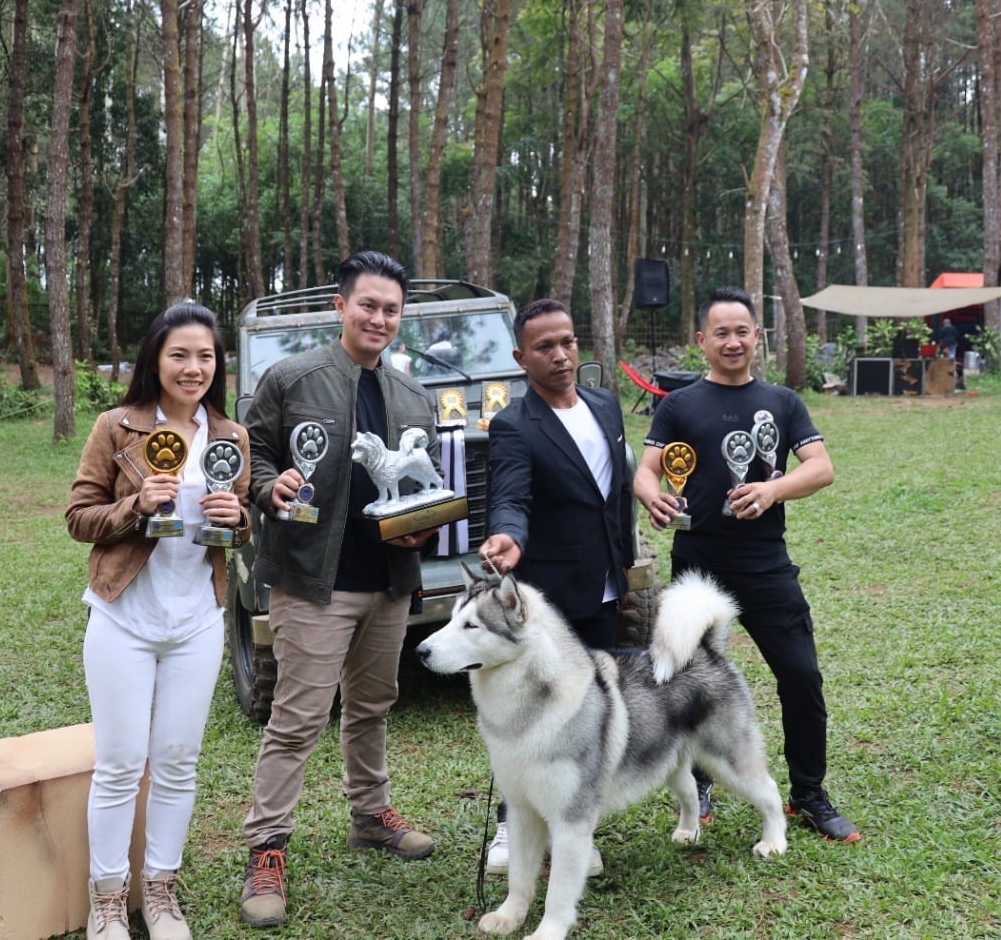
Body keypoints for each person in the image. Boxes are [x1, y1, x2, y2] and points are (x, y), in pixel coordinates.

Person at [239, 251, 441, 929]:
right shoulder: (291, 379)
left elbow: (423, 486)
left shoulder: (413, 395)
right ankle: (267, 849)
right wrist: (269, 486)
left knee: (373, 705)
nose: (379, 319)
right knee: (298, 718)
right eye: (368, 305)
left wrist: (422, 531)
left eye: (391, 310)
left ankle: (370, 816)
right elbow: (253, 454)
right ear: (340, 306)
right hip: (312, 581)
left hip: (388, 580)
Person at [633, 286, 860, 844]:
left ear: (757, 336)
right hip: (698, 564)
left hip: (765, 565)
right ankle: (699, 785)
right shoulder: (677, 404)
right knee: (687, 681)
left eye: (742, 331)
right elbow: (647, 470)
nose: (732, 341)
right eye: (721, 333)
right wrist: (653, 498)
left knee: (801, 677)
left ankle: (809, 793)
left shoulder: (782, 401)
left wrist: (772, 489)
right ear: (701, 340)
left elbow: (822, 467)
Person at [65, 302, 251, 940]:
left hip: (196, 622)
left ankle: (161, 893)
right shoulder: (116, 428)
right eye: (180, 355)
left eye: (205, 356)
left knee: (177, 761)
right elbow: (78, 518)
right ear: (155, 360)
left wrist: (236, 520)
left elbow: (239, 528)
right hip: (123, 618)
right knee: (120, 764)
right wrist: (134, 505)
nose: (193, 368)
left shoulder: (230, 436)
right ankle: (108, 901)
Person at [477, 299, 636, 876]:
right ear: (521, 358)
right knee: (530, 714)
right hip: (549, 591)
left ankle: (575, 828)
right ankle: (510, 826)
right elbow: (511, 495)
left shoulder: (605, 404)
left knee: (588, 715)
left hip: (604, 585)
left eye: (567, 341)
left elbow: (614, 493)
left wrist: (624, 563)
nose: (561, 354)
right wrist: (508, 536)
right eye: (544, 347)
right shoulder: (514, 424)